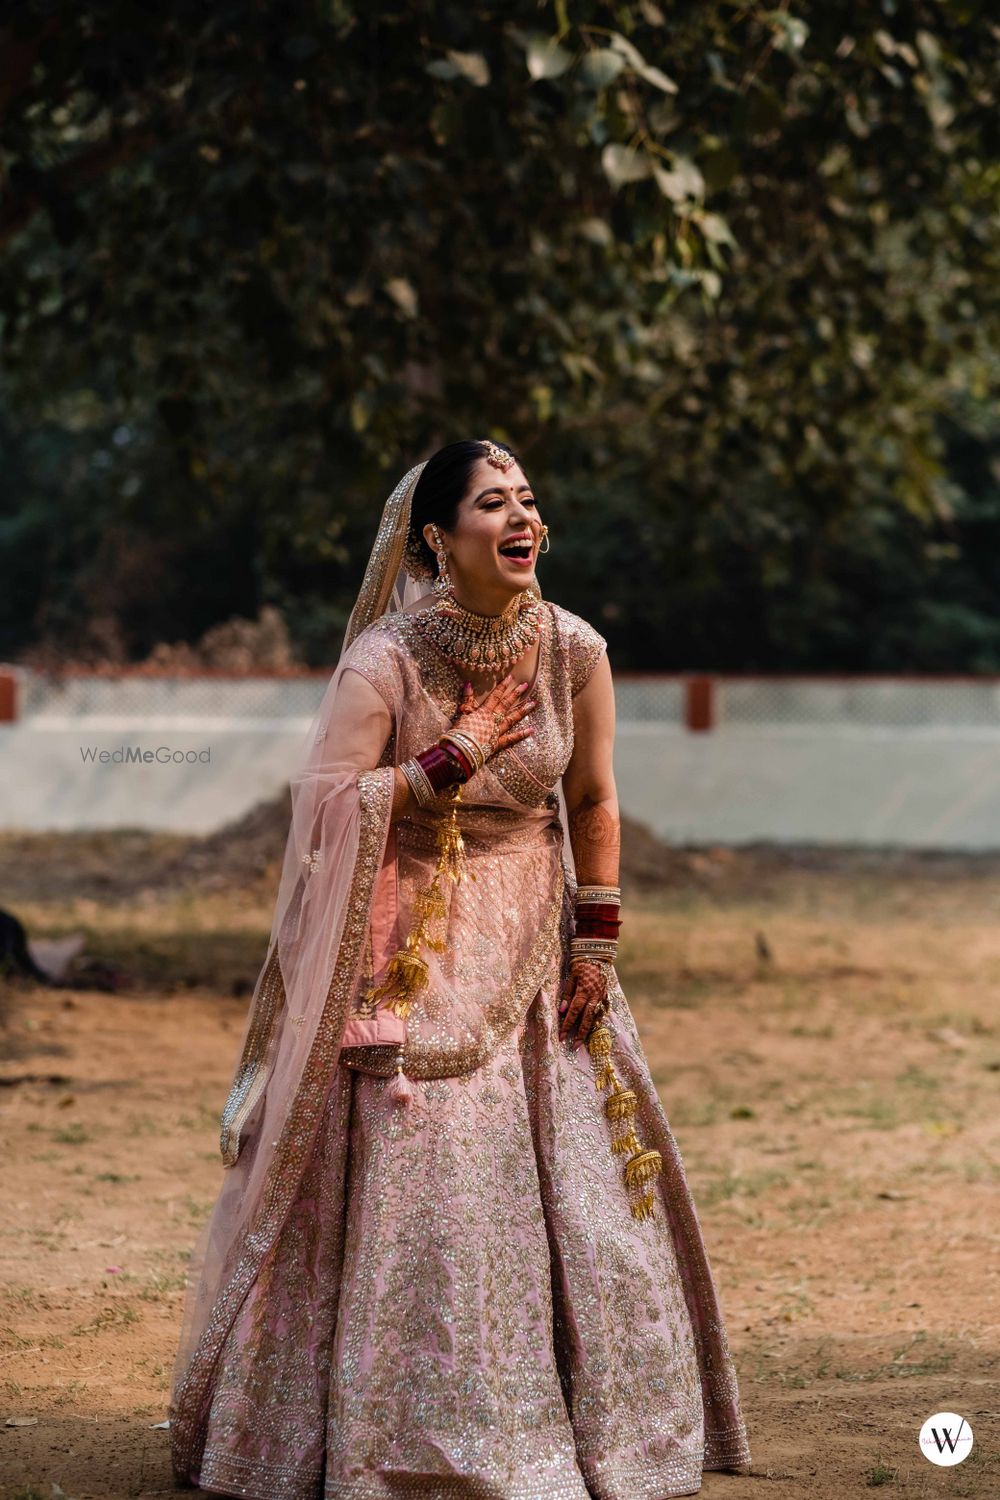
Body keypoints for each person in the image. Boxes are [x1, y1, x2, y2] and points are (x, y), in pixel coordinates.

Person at [168, 438, 752, 1499]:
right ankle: (398, 1440)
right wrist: (455, 755)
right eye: (492, 502)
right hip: (408, 950)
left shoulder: (573, 649)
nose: (522, 517)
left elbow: (592, 802)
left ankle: (590, 1433)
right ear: (437, 537)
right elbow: (330, 807)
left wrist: (597, 944)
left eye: (528, 498)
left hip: (536, 944)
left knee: (580, 1193)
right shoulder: (385, 659)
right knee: (427, 1179)